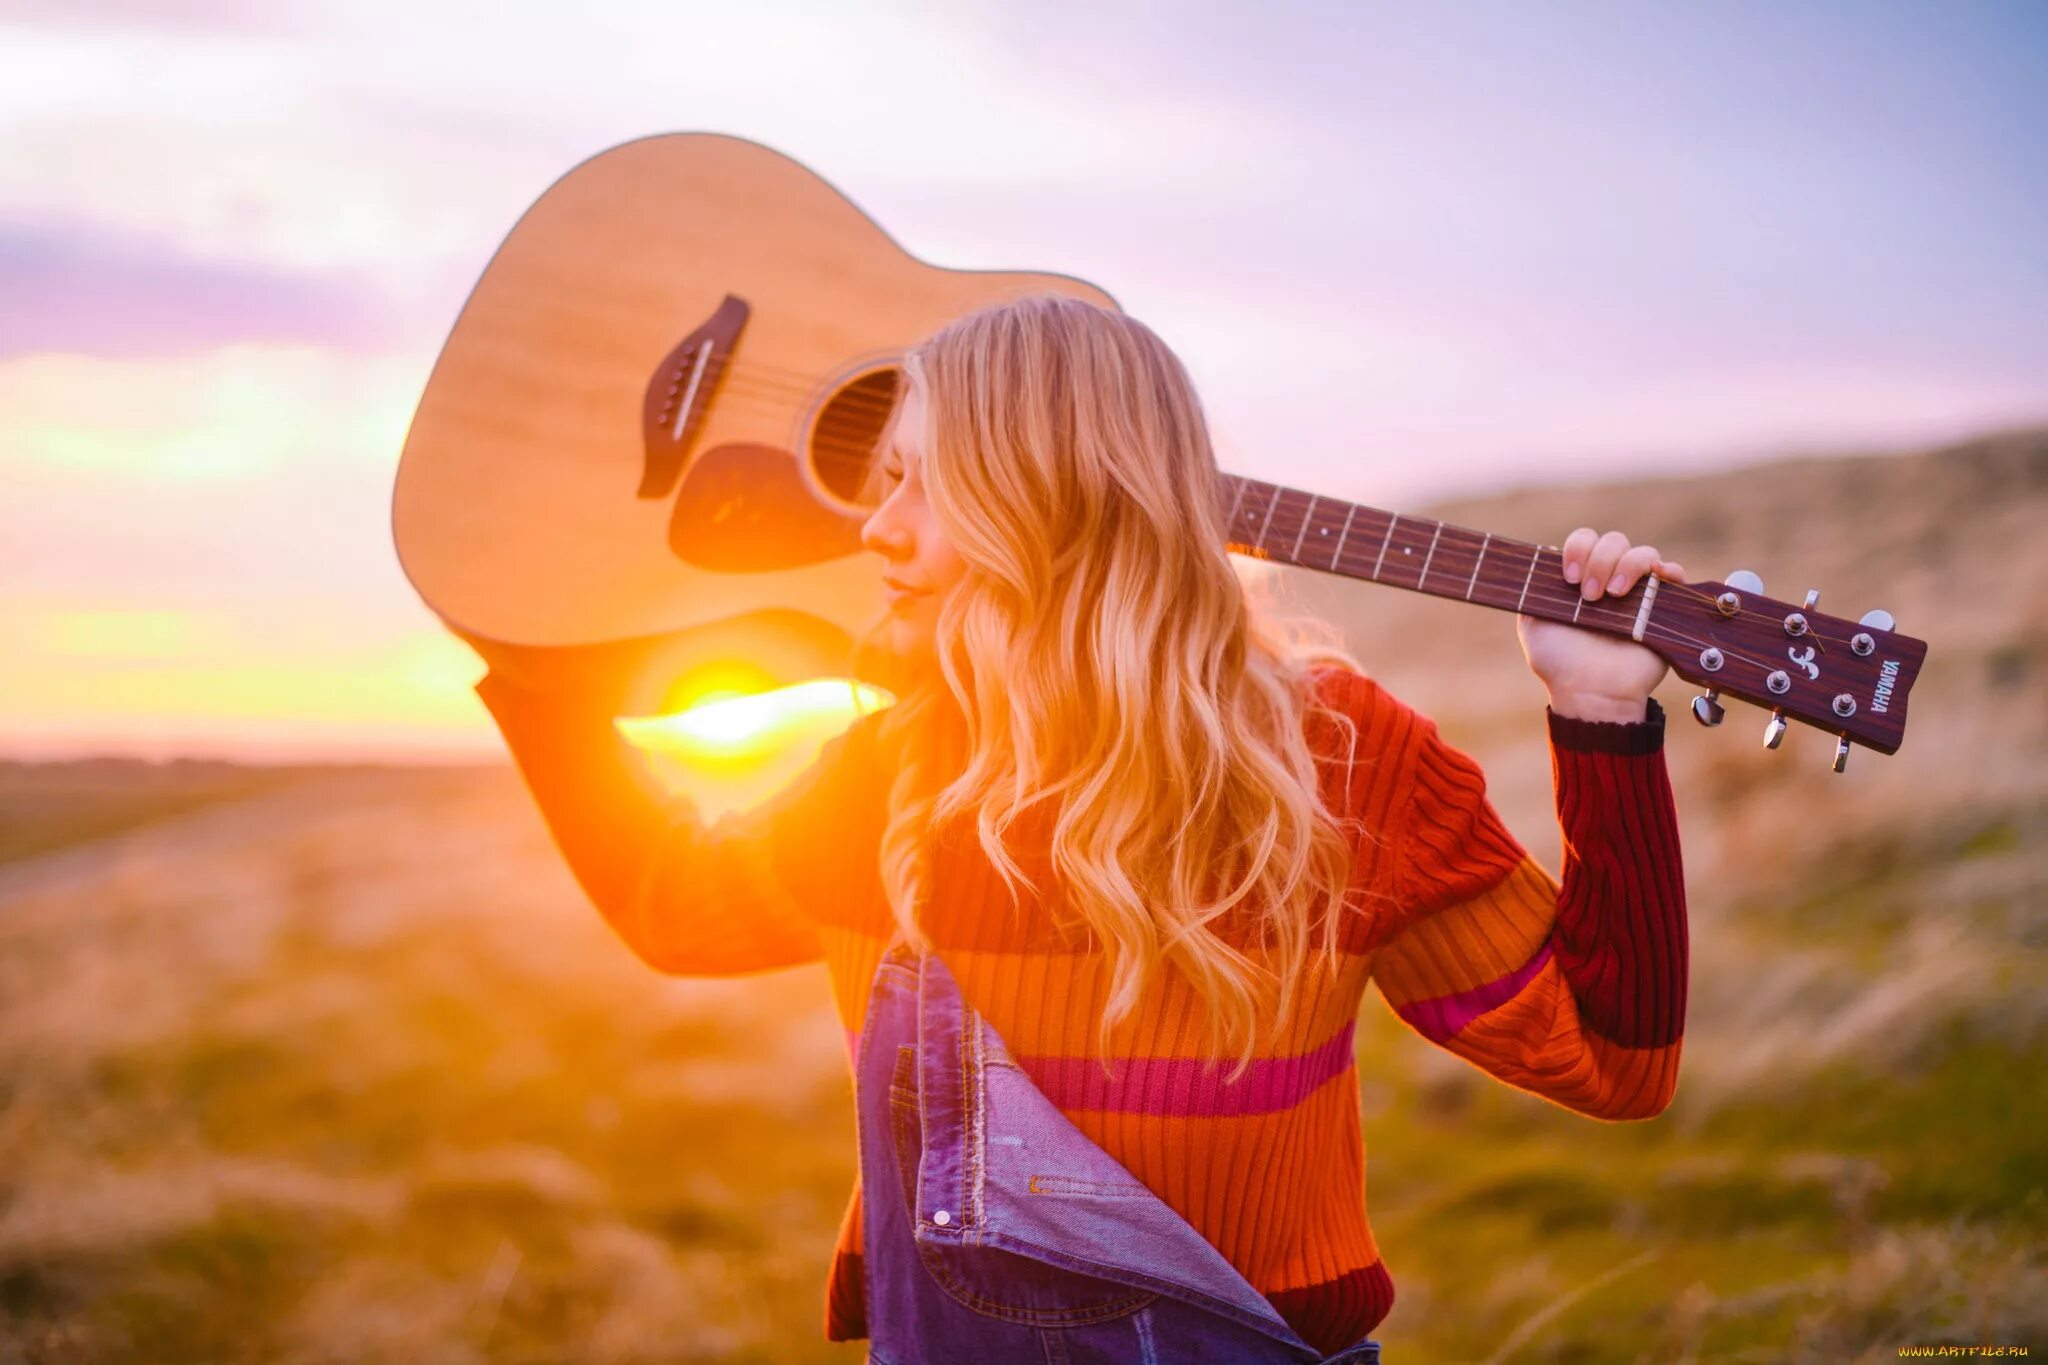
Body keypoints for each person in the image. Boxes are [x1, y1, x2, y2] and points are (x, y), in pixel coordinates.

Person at [472, 295, 1688, 1363]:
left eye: (919, 481)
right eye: (879, 477)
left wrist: (1595, 714)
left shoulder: (1341, 761)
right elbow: (676, 908)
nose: (874, 528)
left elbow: (1609, 1061)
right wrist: (532, 656)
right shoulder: (891, 768)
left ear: (1053, 504)